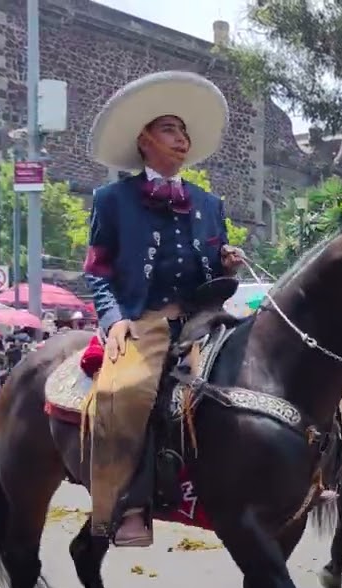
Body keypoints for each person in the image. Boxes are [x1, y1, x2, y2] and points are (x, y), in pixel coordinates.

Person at [81, 71, 244, 546]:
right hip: (145, 318)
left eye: (185, 132)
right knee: (125, 390)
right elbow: (97, 270)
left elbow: (213, 265)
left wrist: (225, 262)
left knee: (265, 373)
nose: (182, 139)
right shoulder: (111, 200)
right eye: (171, 129)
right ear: (144, 140)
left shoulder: (209, 203)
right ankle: (128, 506)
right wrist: (113, 321)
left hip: (204, 316)